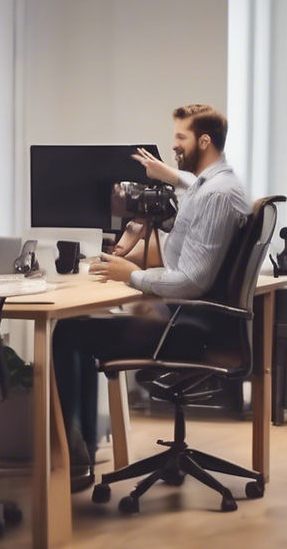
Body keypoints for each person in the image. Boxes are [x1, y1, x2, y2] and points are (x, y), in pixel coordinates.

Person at [53, 104, 252, 491]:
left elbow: (192, 281)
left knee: (68, 333)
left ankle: (74, 456)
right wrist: (168, 181)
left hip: (186, 328)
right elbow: (193, 198)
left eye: (180, 137)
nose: (173, 144)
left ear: (204, 141)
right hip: (196, 321)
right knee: (81, 327)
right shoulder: (216, 186)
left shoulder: (215, 196)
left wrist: (132, 275)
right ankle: (83, 448)